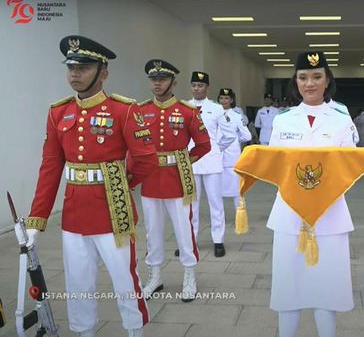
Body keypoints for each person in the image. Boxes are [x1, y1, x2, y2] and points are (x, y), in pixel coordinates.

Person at [25, 35, 158, 337]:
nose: (75, 74)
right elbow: (50, 167)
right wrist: (38, 218)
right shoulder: (58, 112)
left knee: (125, 279)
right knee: (78, 282)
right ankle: (84, 332)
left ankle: (134, 331)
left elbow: (146, 159)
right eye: (71, 67)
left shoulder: (123, 110)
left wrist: (122, 184)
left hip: (114, 213)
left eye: (83, 67)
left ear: (103, 73)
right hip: (74, 212)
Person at [269, 51, 357, 337]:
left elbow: (350, 167)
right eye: (303, 77)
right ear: (295, 82)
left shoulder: (341, 118)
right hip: (289, 212)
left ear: (327, 80)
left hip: (330, 213)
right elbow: (274, 165)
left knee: (327, 287)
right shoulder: (283, 120)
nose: (310, 83)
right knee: (288, 284)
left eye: (317, 76)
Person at [138, 60, 212, 302]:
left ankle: (189, 274)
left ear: (173, 82)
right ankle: (155, 275)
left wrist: (183, 162)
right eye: (153, 78)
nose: (157, 83)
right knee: (152, 230)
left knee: (184, 229)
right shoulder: (140, 110)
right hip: (150, 180)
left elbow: (204, 144)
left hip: (178, 180)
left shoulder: (187, 111)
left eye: (162, 78)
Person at [185, 71, 236, 258]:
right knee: (192, 205)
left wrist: (216, 149)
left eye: (200, 85)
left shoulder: (216, 109)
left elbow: (230, 135)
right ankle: (191, 240)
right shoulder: (184, 106)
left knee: (216, 202)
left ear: (207, 88)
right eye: (194, 85)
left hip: (212, 162)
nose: (196, 88)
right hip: (191, 162)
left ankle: (218, 240)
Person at [218, 88, 252, 208]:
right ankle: (218, 217)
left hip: (231, 156)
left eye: (226, 98)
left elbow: (247, 136)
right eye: (221, 98)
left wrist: (235, 141)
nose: (223, 101)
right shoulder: (214, 113)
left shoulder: (237, 116)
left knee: (236, 189)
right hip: (216, 156)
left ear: (232, 100)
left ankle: (240, 214)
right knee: (216, 191)